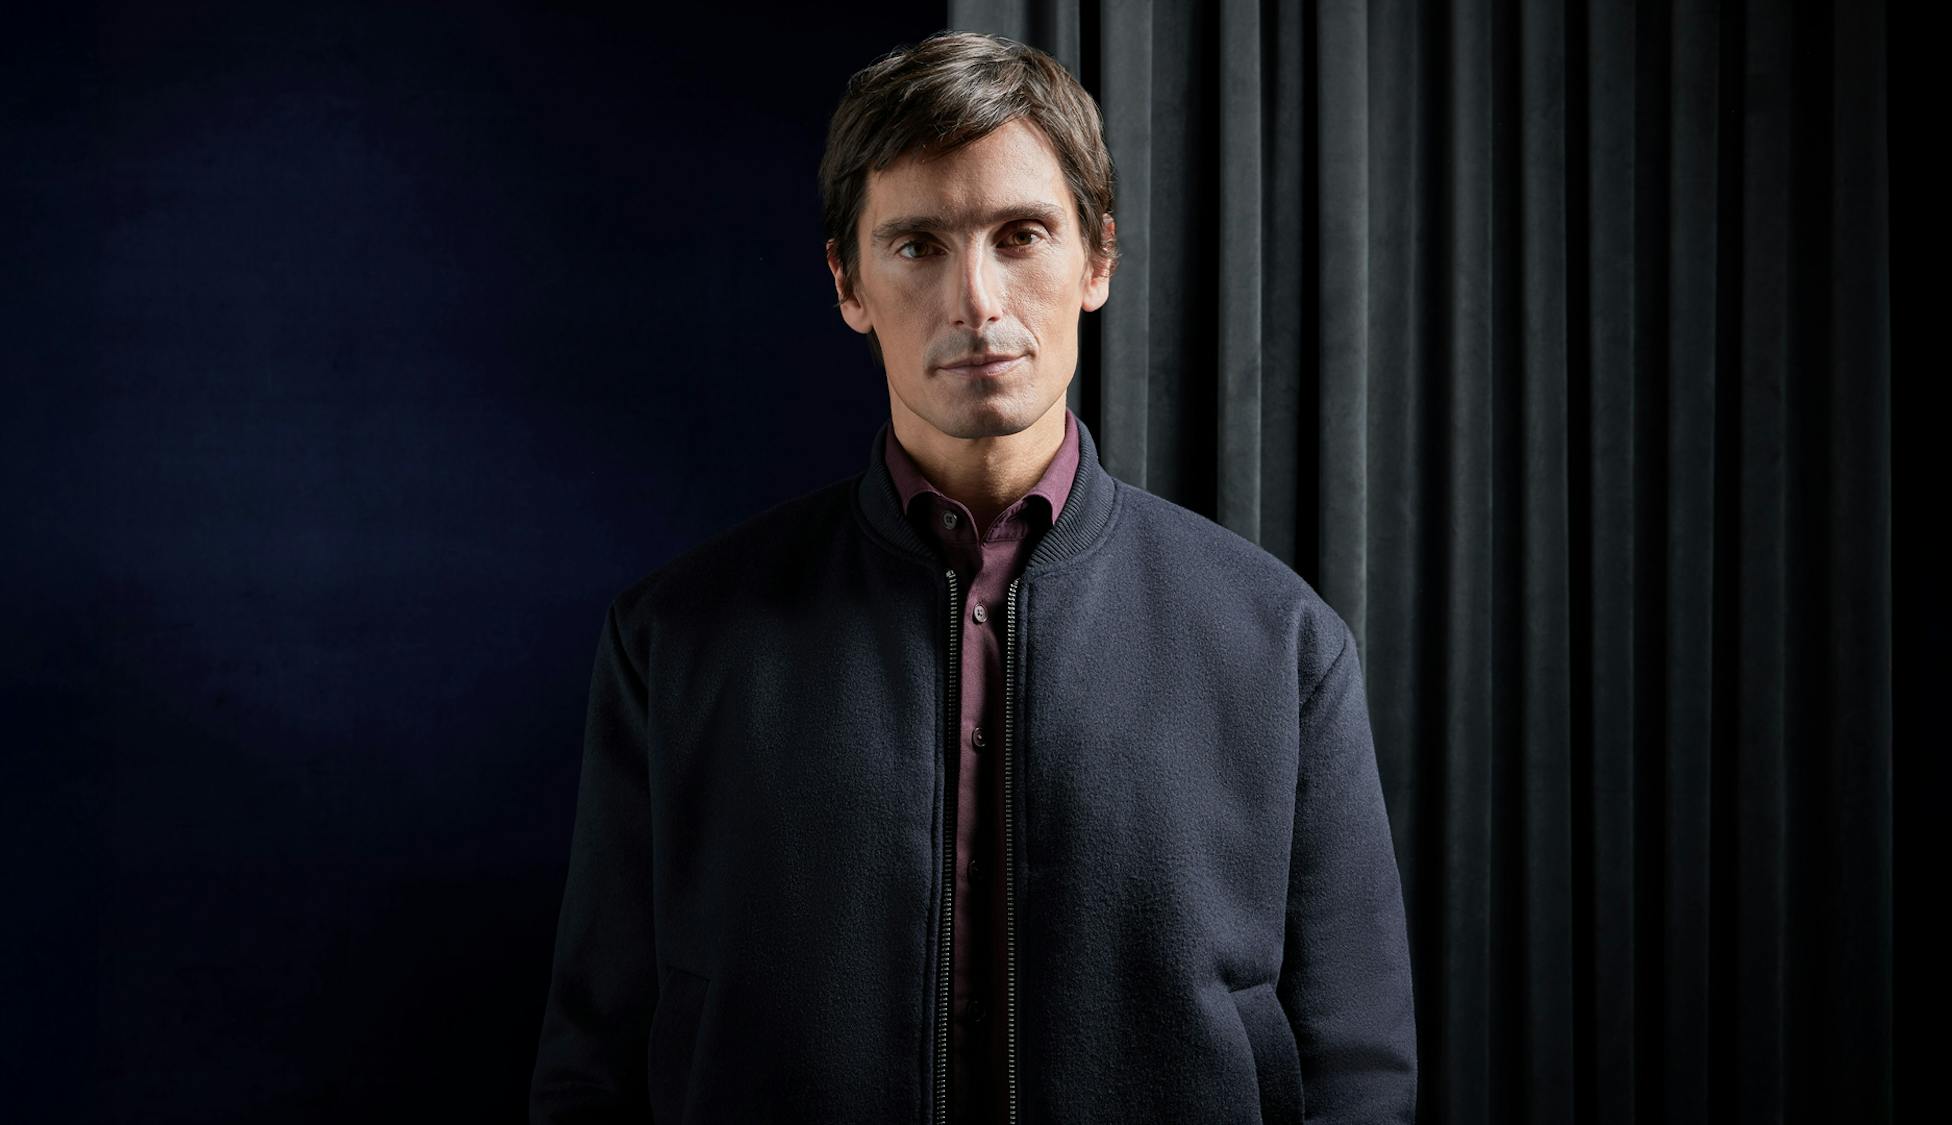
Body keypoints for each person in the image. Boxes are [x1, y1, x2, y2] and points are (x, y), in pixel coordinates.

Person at [529, 29, 1416, 1125]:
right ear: (847, 282)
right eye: (917, 245)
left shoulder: (1281, 642)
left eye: (1020, 235)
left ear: (1096, 260)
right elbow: (594, 1061)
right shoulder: (674, 640)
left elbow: (1356, 1072)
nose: (977, 301)